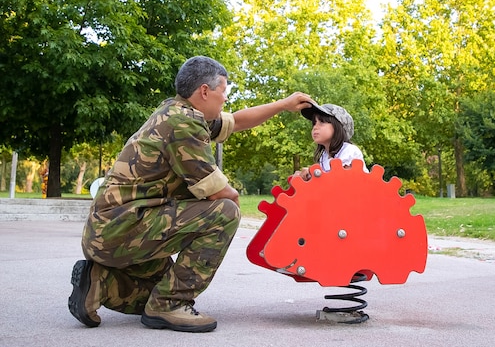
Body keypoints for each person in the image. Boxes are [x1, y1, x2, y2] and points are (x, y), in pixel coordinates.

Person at [68, 56, 312, 333]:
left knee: (155, 289)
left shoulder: (175, 111)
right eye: (223, 92)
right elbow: (221, 194)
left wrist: (283, 105)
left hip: (112, 231)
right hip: (122, 229)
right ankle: (170, 304)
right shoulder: (184, 124)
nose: (224, 100)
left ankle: (98, 284)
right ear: (205, 91)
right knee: (226, 213)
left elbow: (237, 121)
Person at [294, 102, 367, 181]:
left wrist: (313, 173)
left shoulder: (349, 151)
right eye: (314, 123)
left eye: (321, 122)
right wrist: (307, 176)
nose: (315, 127)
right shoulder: (324, 156)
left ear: (337, 127)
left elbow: (344, 183)